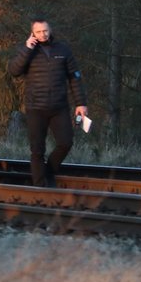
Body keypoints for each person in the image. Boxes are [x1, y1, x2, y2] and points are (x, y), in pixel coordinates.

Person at [8, 17, 88, 187]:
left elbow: (75, 77)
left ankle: (49, 172)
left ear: (50, 30)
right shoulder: (27, 51)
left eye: (45, 30)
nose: (42, 34)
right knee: (37, 150)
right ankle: (40, 186)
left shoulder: (63, 50)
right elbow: (14, 71)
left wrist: (81, 104)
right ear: (32, 33)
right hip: (35, 108)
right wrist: (27, 49)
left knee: (66, 143)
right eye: (38, 31)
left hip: (59, 107)